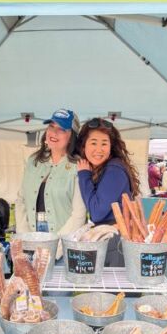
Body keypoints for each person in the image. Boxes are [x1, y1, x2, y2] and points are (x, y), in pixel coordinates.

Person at [76, 117, 141, 266]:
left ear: (111, 146)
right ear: (83, 146)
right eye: (93, 143)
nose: (99, 149)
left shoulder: (114, 170)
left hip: (116, 240)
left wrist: (84, 175)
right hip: (112, 238)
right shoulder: (105, 169)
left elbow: (97, 212)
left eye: (104, 143)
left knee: (115, 288)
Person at [15, 109, 86, 239]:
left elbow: (79, 214)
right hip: (31, 234)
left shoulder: (78, 166)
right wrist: (25, 236)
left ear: (72, 136)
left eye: (62, 129)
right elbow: (21, 200)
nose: (54, 132)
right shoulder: (33, 161)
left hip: (64, 237)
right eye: (51, 126)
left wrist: (58, 245)